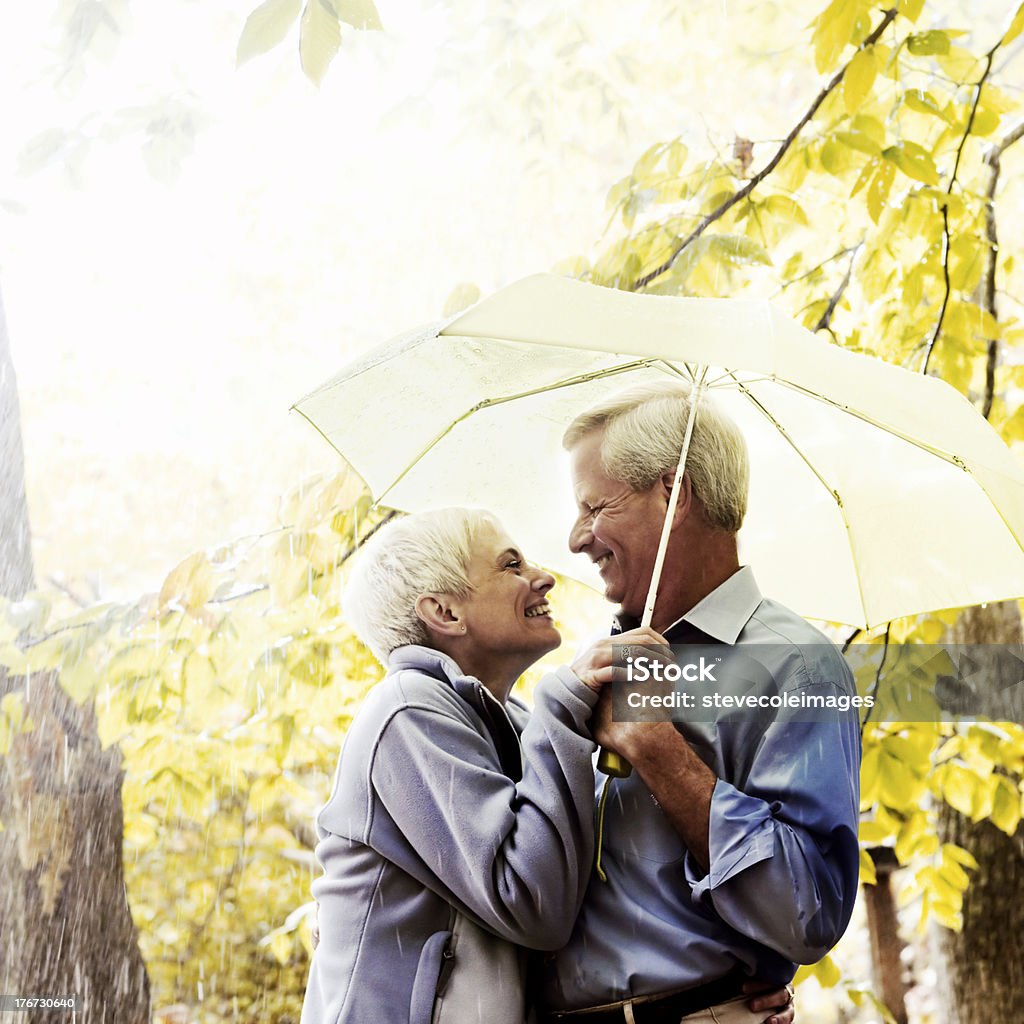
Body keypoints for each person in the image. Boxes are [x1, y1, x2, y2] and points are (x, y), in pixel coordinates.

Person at [538, 382, 861, 1024]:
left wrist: (659, 749)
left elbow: (808, 916)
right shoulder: (590, 669)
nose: (576, 539)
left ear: (673, 493)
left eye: (596, 506)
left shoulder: (795, 666)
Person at [299, 506, 667, 1024]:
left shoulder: (511, 722)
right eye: (512, 565)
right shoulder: (407, 711)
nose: (543, 578)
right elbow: (533, 904)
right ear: (445, 613)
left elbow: (584, 889)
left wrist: (723, 987)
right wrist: (561, 710)